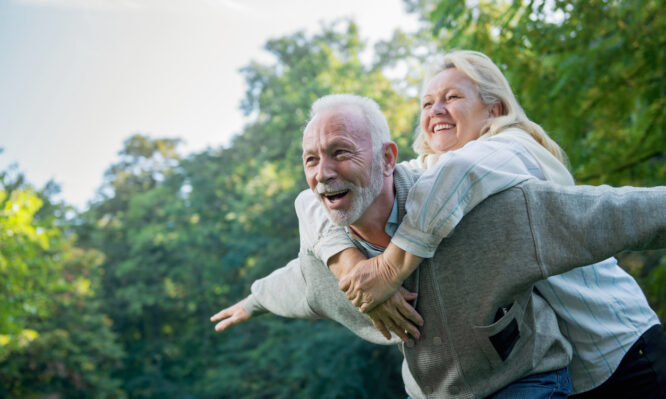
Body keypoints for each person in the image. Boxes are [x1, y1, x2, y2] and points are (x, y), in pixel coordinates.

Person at [211, 94, 666, 398]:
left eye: (341, 152)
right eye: (311, 159)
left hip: (526, 381)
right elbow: (292, 284)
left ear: (388, 158)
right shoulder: (328, 265)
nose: (322, 172)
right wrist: (253, 300)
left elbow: (611, 213)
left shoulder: (486, 213)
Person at [332, 51, 666, 398]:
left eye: (452, 97)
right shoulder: (433, 170)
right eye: (427, 104)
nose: (436, 110)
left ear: (494, 109)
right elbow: (318, 197)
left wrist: (387, 271)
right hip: (570, 373)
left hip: (620, 349)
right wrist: (349, 265)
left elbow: (458, 173)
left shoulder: (513, 148)